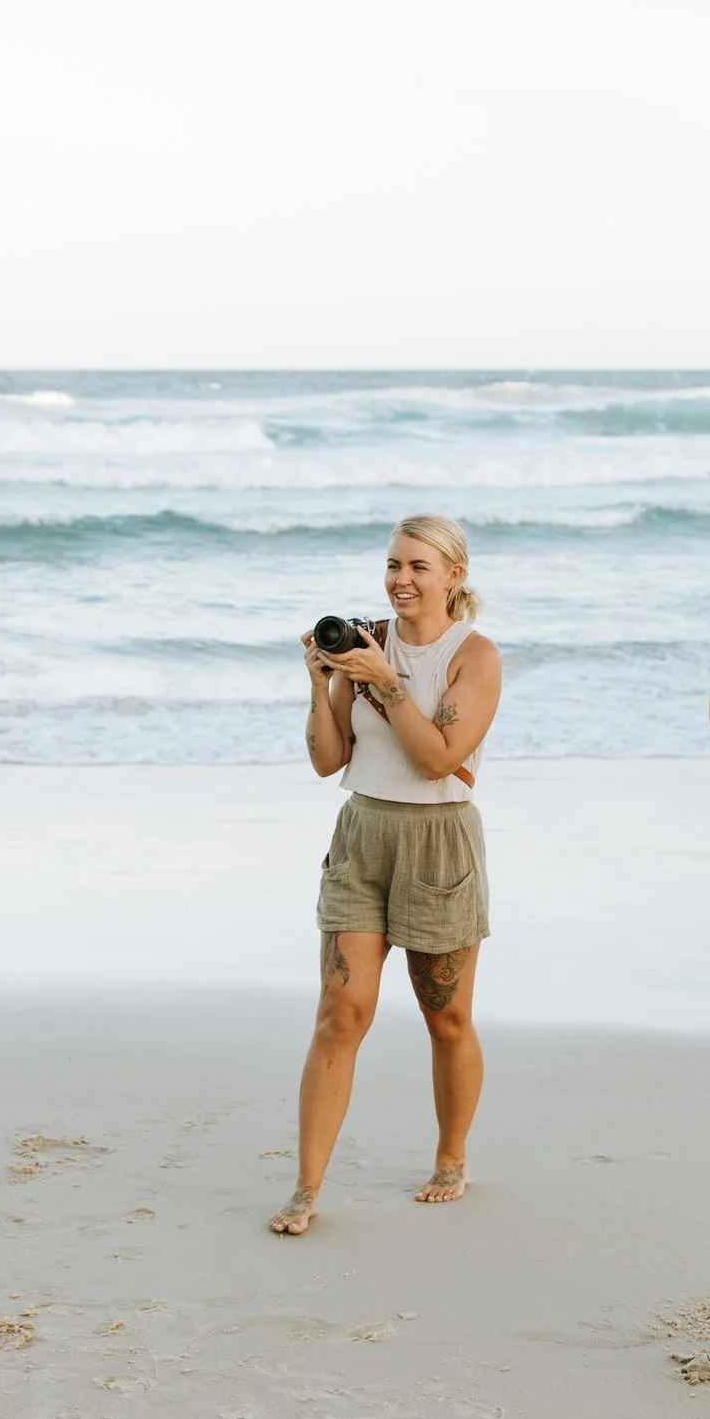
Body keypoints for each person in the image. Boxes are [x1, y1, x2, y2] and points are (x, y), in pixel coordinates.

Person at [270, 514, 502, 1237]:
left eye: (418, 567)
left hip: (438, 839)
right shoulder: (367, 639)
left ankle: (451, 1157)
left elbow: (439, 759)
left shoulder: (477, 656)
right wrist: (323, 684)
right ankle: (306, 1188)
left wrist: (387, 682)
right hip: (362, 834)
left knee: (447, 1016)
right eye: (394, 565)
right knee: (341, 1013)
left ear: (452, 577)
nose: (401, 580)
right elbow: (325, 759)